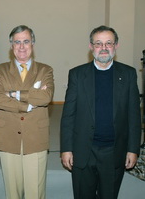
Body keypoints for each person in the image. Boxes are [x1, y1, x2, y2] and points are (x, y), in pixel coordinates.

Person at [60, 25, 141, 199]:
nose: (103, 48)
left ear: (116, 46)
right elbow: (68, 116)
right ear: (91, 47)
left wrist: (133, 149)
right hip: (83, 152)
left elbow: (134, 116)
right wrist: (66, 149)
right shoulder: (77, 74)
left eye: (108, 43)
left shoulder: (128, 74)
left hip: (114, 152)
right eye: (98, 43)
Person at [0, 25, 54, 199]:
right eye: (17, 42)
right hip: (7, 136)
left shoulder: (45, 70)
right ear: (11, 46)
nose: (21, 46)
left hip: (35, 137)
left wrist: (13, 94)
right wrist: (26, 104)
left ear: (32, 44)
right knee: (13, 193)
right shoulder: (0, 70)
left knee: (35, 192)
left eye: (26, 41)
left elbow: (46, 97)